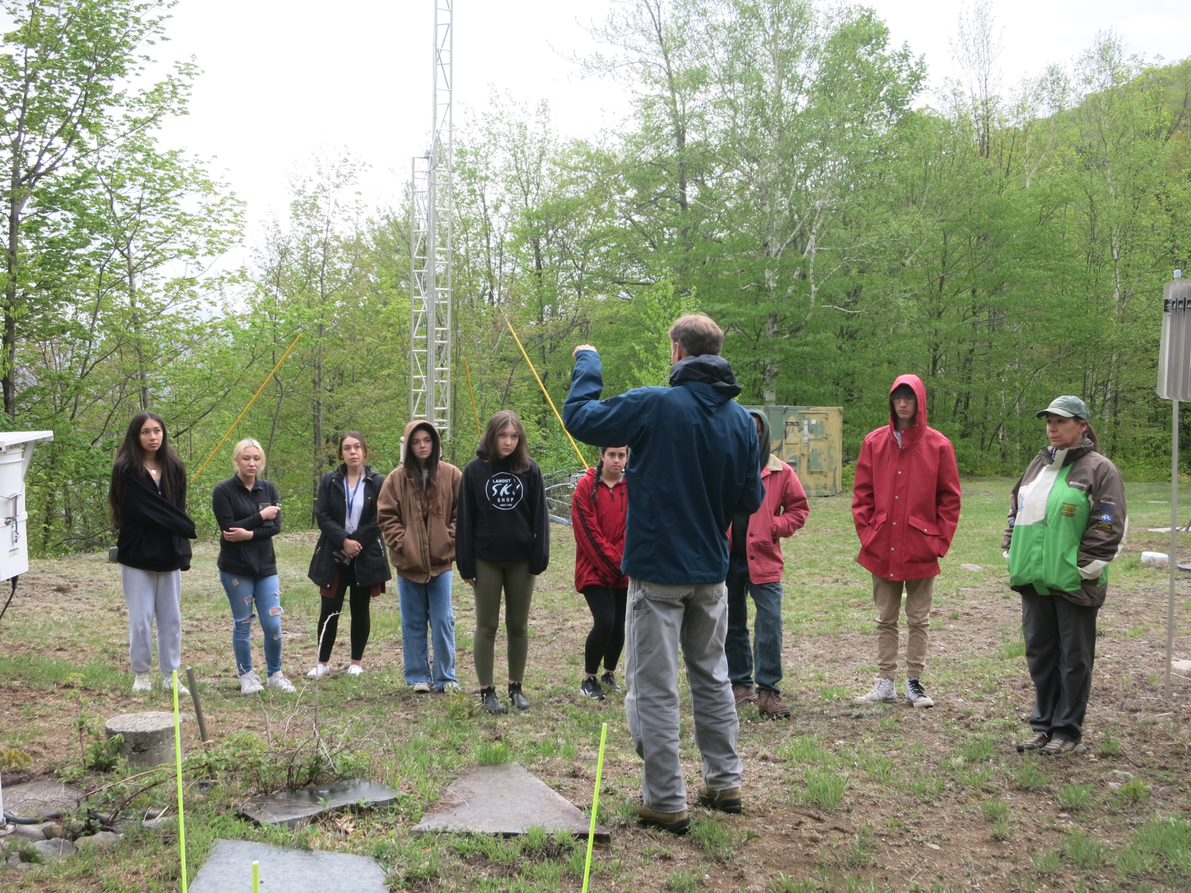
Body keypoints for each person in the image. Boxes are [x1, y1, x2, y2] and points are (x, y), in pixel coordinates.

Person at [563, 313, 763, 836]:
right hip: (711, 576)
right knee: (713, 675)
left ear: (678, 352)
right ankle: (725, 782)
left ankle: (666, 799)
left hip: (656, 573)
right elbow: (749, 499)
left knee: (653, 684)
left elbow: (581, 418)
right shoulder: (743, 422)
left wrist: (588, 361)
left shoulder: (655, 404)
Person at [1004, 396, 1127, 756]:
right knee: (1040, 654)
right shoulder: (1038, 465)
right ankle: (1043, 726)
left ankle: (1067, 730)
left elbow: (1109, 524)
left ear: (1082, 426)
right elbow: (1015, 510)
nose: (1052, 428)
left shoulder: (1100, 469)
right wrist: (1012, 553)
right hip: (1034, 579)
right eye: (1049, 421)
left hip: (1075, 583)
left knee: (1074, 659)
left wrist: (1082, 569)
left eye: (1061, 421)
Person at [852, 374, 961, 709]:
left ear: (919, 403)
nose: (902, 403)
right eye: (897, 397)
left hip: (920, 547)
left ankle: (915, 682)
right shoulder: (874, 442)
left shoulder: (939, 446)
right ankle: (886, 682)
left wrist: (938, 543)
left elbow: (950, 499)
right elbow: (862, 495)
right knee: (885, 617)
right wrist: (869, 533)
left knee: (918, 618)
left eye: (908, 398)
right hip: (881, 545)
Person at [456, 411, 549, 715]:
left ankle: (516, 687)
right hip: (486, 560)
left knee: (518, 625)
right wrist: (466, 564)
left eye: (514, 436)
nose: (508, 442)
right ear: (492, 436)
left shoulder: (530, 470)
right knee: (487, 625)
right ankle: (487, 691)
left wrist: (539, 557)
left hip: (521, 560)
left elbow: (540, 517)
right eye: (502, 436)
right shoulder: (474, 472)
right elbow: (465, 520)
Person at [726, 410, 810, 720]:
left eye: (758, 430)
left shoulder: (781, 472)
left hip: (764, 560)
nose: (753, 435)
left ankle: (769, 690)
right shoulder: (725, 467)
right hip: (726, 560)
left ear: (764, 435)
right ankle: (739, 684)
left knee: (770, 624)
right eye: (748, 429)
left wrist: (774, 526)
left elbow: (799, 510)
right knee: (732, 625)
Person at [108, 412, 197, 695]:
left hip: (169, 551)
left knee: (171, 618)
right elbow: (139, 510)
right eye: (146, 432)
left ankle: (171, 675)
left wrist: (179, 526)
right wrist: (181, 524)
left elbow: (176, 509)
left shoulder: (174, 467)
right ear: (136, 436)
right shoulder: (126, 469)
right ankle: (141, 674)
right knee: (141, 618)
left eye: (157, 431)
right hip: (137, 553)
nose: (152, 437)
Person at [378, 420, 462, 693]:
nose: (422, 446)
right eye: (416, 442)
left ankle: (446, 677)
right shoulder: (396, 479)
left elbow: (462, 514)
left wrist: (449, 539)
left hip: (441, 563)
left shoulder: (452, 475)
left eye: (427, 440)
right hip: (409, 564)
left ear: (435, 443)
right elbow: (386, 516)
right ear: (408, 446)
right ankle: (418, 677)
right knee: (413, 621)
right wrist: (402, 543)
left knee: (442, 621)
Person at [212, 438, 296, 694]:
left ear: (262, 462)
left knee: (273, 624)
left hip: (266, 568)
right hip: (236, 568)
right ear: (237, 461)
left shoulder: (269, 489)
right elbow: (229, 529)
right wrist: (261, 517)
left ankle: (275, 673)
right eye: (246, 458)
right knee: (243, 622)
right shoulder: (223, 491)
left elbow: (276, 527)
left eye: (256, 458)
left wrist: (248, 533)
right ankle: (246, 674)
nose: (251, 463)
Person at [306, 432, 391, 678]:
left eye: (356, 447)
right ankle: (322, 662)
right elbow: (322, 515)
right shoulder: (330, 481)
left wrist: (356, 543)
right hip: (334, 552)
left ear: (364, 451)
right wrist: (343, 540)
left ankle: (356, 662)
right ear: (341, 454)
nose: (352, 452)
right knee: (329, 607)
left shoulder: (377, 482)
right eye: (347, 448)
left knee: (360, 607)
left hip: (365, 554)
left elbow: (380, 517)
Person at [572, 445, 630, 701]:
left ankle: (609, 673)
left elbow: (634, 528)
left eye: (621, 455)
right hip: (593, 568)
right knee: (605, 620)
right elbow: (587, 531)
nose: (616, 461)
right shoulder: (586, 487)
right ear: (602, 456)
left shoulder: (632, 487)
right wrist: (613, 562)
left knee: (619, 624)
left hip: (624, 570)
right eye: (612, 455)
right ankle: (588, 677)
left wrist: (622, 562)